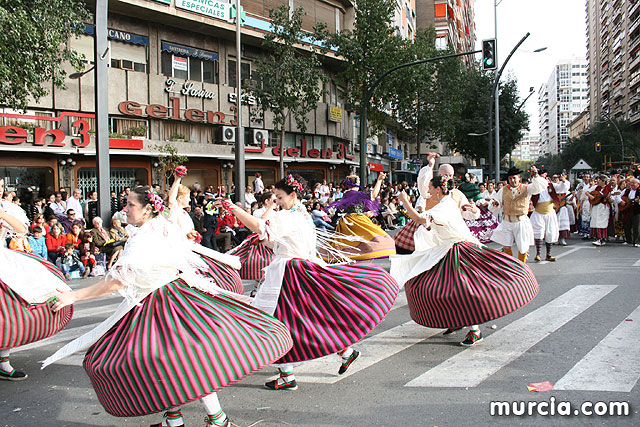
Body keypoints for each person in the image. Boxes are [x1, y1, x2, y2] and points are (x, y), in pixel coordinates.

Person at [45, 186, 293, 427]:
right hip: (178, 295)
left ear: (146, 210)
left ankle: (206, 419)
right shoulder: (162, 225)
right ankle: (189, 418)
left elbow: (118, 281)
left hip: (160, 303)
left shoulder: (142, 237)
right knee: (178, 360)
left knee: (171, 361)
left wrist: (74, 296)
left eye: (131, 204)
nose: (126, 208)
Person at [215, 174, 399, 390]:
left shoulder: (290, 216)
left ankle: (288, 374)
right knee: (305, 319)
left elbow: (259, 226)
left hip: (289, 273)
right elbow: (275, 238)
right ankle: (341, 353)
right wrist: (268, 239)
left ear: (293, 195)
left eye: (280, 197)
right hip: (298, 269)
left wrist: (233, 208)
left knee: (273, 320)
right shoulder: (300, 212)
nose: (277, 201)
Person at [390, 178, 539, 346]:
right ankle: (456, 321)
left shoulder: (444, 206)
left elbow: (419, 220)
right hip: (447, 250)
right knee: (445, 289)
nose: (429, 192)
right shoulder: (446, 203)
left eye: (431, 188)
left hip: (457, 251)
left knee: (464, 291)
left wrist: (404, 202)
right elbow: (432, 225)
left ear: (439, 189)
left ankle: (475, 331)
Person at [0, 178, 73, 381]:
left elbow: (22, 230)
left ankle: (2, 362)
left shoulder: (6, 208)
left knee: (10, 312)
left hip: (3, 260)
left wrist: (1, 213)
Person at [168, 167, 243, 294]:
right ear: (179, 199)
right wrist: (177, 179)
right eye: (187, 197)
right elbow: (171, 200)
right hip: (181, 251)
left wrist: (193, 235)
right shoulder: (174, 211)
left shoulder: (183, 213)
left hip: (190, 247)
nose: (190, 199)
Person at [394, 153, 480, 253]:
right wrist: (430, 165)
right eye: (445, 175)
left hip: (444, 240)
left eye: (450, 175)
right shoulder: (434, 192)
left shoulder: (453, 198)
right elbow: (424, 187)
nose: (448, 178)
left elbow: (468, 213)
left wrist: (474, 210)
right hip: (432, 233)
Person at [326, 173, 396, 260]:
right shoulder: (354, 193)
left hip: (347, 221)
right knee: (377, 237)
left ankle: (354, 254)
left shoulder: (347, 194)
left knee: (350, 241)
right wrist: (379, 180)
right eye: (358, 181)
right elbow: (373, 195)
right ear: (356, 183)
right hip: (355, 220)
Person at [490, 166, 547, 263]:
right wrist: (495, 204)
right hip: (507, 221)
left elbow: (539, 187)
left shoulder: (527, 188)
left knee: (523, 247)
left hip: (521, 221)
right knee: (506, 245)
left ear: (519, 178)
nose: (512, 180)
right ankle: (511, 267)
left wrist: (536, 175)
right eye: (510, 178)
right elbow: (497, 202)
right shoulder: (503, 190)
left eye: (514, 178)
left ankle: (522, 267)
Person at [529, 171, 570, 261]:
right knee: (538, 232)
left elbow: (562, 189)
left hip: (549, 212)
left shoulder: (551, 186)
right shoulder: (534, 186)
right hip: (538, 212)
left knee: (550, 232)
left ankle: (548, 254)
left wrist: (563, 181)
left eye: (544, 176)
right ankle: (538, 254)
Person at [587, 175, 613, 246]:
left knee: (602, 223)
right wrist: (591, 196)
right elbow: (587, 192)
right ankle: (597, 238)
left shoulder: (609, 189)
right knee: (595, 222)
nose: (597, 181)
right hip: (596, 206)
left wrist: (609, 198)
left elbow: (612, 199)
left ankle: (602, 238)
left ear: (604, 181)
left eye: (599, 180)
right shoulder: (595, 187)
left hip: (603, 207)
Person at [618, 178, 640, 246]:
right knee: (627, 225)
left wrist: (638, 201)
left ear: (638, 184)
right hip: (627, 210)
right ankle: (628, 240)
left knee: (636, 226)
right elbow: (618, 196)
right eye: (631, 183)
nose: (632, 184)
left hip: (637, 210)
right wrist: (621, 201)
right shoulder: (626, 190)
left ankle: (636, 241)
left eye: (634, 183)